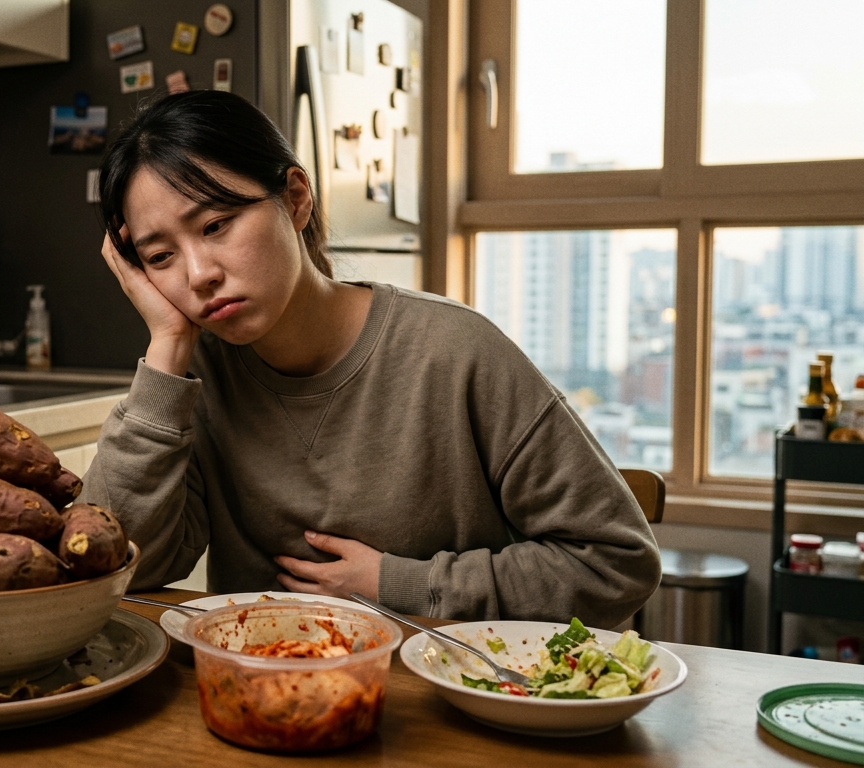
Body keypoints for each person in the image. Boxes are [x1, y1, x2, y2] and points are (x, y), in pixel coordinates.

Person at [80, 90, 660, 626]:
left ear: (295, 199)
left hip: (443, 688)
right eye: (160, 256)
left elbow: (615, 562)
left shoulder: (456, 352)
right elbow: (113, 567)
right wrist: (167, 345)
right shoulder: (195, 376)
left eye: (215, 225)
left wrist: (398, 583)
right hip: (259, 687)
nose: (198, 274)